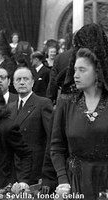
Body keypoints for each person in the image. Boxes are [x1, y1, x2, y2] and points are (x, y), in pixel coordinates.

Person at [51, 23, 108, 200]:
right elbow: (56, 146)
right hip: (74, 182)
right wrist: (62, 180)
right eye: (74, 69)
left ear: (97, 72)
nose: (75, 75)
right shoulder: (66, 101)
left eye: (82, 70)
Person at [9, 67, 53, 185]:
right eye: (18, 79)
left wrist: (46, 171)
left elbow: (51, 138)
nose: (22, 82)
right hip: (13, 169)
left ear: (32, 82)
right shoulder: (10, 107)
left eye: (26, 79)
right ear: (13, 83)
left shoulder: (43, 103)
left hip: (34, 169)